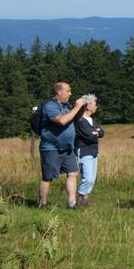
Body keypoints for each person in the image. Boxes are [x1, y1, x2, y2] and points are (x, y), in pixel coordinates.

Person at [38, 81, 88, 209]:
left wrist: (81, 109)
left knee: (73, 173)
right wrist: (76, 107)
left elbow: (76, 119)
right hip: (51, 147)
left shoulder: (67, 106)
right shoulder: (49, 106)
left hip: (68, 148)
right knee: (48, 176)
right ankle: (42, 204)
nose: (70, 93)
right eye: (68, 91)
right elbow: (62, 121)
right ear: (59, 92)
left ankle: (71, 203)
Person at [74, 94, 104, 208]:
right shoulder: (80, 120)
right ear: (88, 106)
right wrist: (95, 133)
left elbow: (102, 132)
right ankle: (80, 199)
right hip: (84, 151)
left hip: (93, 152)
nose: (96, 106)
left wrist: (97, 132)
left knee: (92, 178)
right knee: (87, 177)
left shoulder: (92, 120)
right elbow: (89, 136)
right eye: (94, 104)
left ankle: (85, 199)